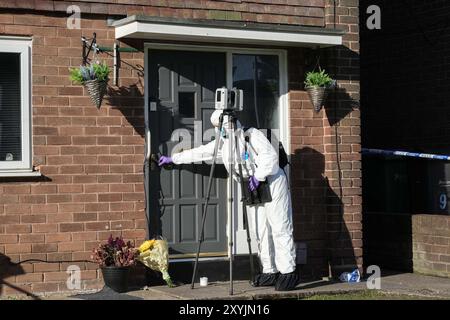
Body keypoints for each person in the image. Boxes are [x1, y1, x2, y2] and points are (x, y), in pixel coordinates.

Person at [158, 110, 299, 291]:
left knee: (280, 227)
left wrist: (259, 176)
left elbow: (270, 158)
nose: (219, 131)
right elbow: (201, 153)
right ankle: (270, 271)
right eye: (217, 128)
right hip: (252, 186)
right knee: (259, 230)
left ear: (229, 124)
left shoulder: (251, 135)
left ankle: (288, 272)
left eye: (220, 127)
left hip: (271, 182)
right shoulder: (223, 144)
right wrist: (174, 158)